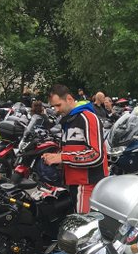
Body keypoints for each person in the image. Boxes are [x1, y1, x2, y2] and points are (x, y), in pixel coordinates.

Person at [42, 85, 108, 213]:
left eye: (58, 105)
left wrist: (62, 157)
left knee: (84, 228)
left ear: (69, 99)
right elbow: (75, 149)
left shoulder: (88, 117)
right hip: (75, 185)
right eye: (53, 106)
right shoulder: (68, 120)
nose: (56, 110)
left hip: (88, 185)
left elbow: (97, 155)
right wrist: (55, 157)